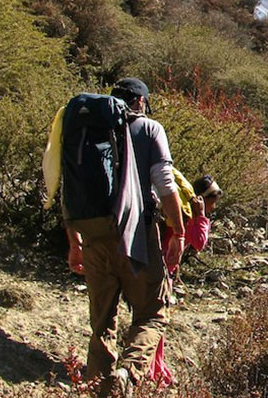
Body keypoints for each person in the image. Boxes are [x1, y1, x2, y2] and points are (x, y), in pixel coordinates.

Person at [45, 78, 184, 394]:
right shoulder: (149, 129)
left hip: (92, 236)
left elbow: (68, 187)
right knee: (152, 314)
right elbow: (165, 183)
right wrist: (177, 231)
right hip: (136, 234)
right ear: (140, 102)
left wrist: (75, 243)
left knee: (102, 323)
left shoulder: (86, 129)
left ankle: (99, 387)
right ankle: (128, 373)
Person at [148, 173, 222, 387]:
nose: (214, 207)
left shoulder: (179, 212)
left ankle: (158, 367)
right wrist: (201, 216)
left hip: (161, 269)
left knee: (157, 320)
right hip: (160, 272)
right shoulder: (187, 216)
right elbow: (199, 241)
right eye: (212, 202)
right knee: (155, 320)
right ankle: (152, 370)